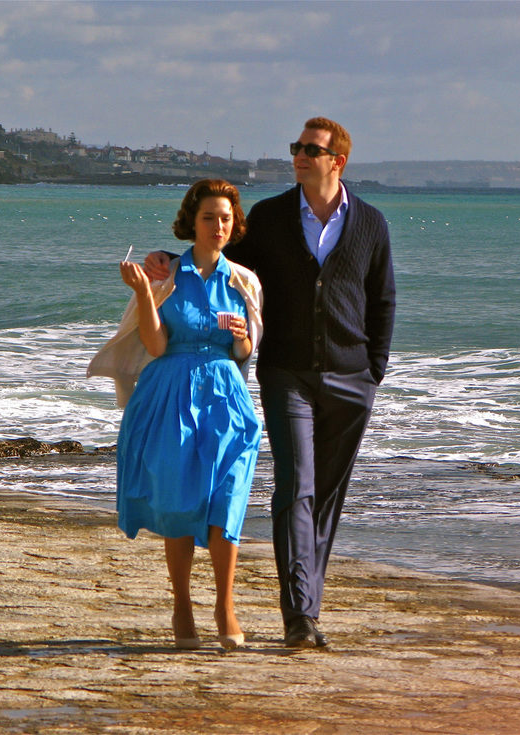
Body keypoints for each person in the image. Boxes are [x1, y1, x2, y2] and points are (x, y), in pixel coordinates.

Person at [144, 117, 395, 648]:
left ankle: (309, 604)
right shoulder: (270, 217)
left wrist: (374, 370)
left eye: (311, 149)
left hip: (352, 378)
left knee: (327, 496)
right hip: (286, 372)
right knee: (295, 487)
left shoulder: (371, 223)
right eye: (296, 147)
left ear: (337, 161)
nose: (299, 155)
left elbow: (383, 300)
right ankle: (300, 616)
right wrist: (168, 261)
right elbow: (222, 261)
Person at [88, 179, 263, 651]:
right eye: (209, 217)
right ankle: (182, 604)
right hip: (171, 395)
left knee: (228, 500)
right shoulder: (165, 274)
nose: (218, 227)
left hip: (226, 397)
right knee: (181, 502)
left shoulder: (243, 280)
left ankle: (225, 606)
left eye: (225, 218)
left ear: (234, 223)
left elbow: (246, 353)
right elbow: (155, 344)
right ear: (192, 221)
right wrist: (145, 291)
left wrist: (243, 334)